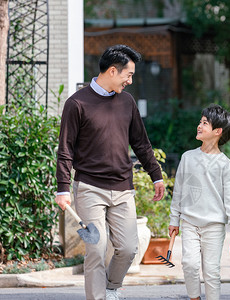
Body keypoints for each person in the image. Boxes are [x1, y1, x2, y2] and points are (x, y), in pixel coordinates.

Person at [55, 44, 165, 300]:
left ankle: (112, 287)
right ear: (113, 71)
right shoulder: (77, 103)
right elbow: (65, 149)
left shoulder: (126, 102)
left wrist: (156, 174)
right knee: (96, 247)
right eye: (128, 75)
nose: (130, 81)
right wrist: (62, 188)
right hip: (89, 188)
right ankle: (98, 298)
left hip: (123, 188)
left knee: (128, 248)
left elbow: (141, 142)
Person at [169, 104, 230, 300]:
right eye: (200, 121)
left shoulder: (225, 165)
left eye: (205, 123)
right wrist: (174, 219)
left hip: (214, 225)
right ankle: (194, 298)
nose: (199, 125)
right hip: (189, 222)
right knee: (190, 264)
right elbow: (178, 191)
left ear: (217, 132)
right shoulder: (187, 158)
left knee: (211, 272)